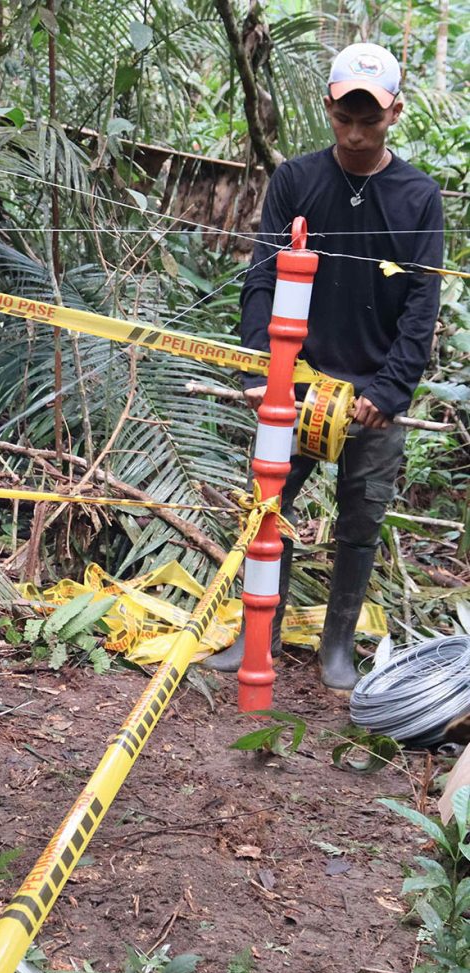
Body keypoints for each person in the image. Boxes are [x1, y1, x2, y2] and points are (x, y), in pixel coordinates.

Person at [206, 43, 443, 694]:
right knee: (268, 507)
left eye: (370, 119)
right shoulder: (296, 180)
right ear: (328, 109)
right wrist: (263, 371)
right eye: (344, 118)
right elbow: (262, 276)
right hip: (296, 384)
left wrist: (389, 391)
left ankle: (337, 647)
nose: (356, 133)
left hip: (373, 395)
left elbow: (422, 303)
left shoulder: (419, 196)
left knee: (361, 520)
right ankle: (256, 636)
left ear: (395, 112)